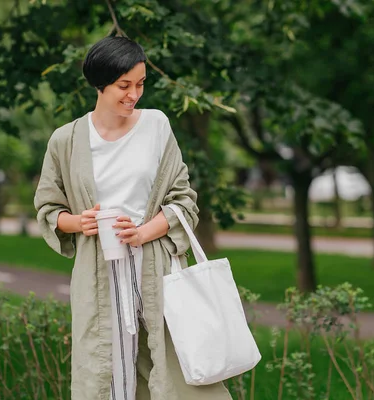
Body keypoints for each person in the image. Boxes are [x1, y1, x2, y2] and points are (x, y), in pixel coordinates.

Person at [34, 36, 231, 400]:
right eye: (124, 86)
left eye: (140, 84)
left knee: (173, 370)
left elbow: (184, 200)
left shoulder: (156, 126)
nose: (133, 94)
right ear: (100, 84)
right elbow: (47, 209)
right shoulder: (66, 140)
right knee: (104, 374)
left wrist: (141, 233)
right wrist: (77, 223)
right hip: (98, 270)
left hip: (156, 266)